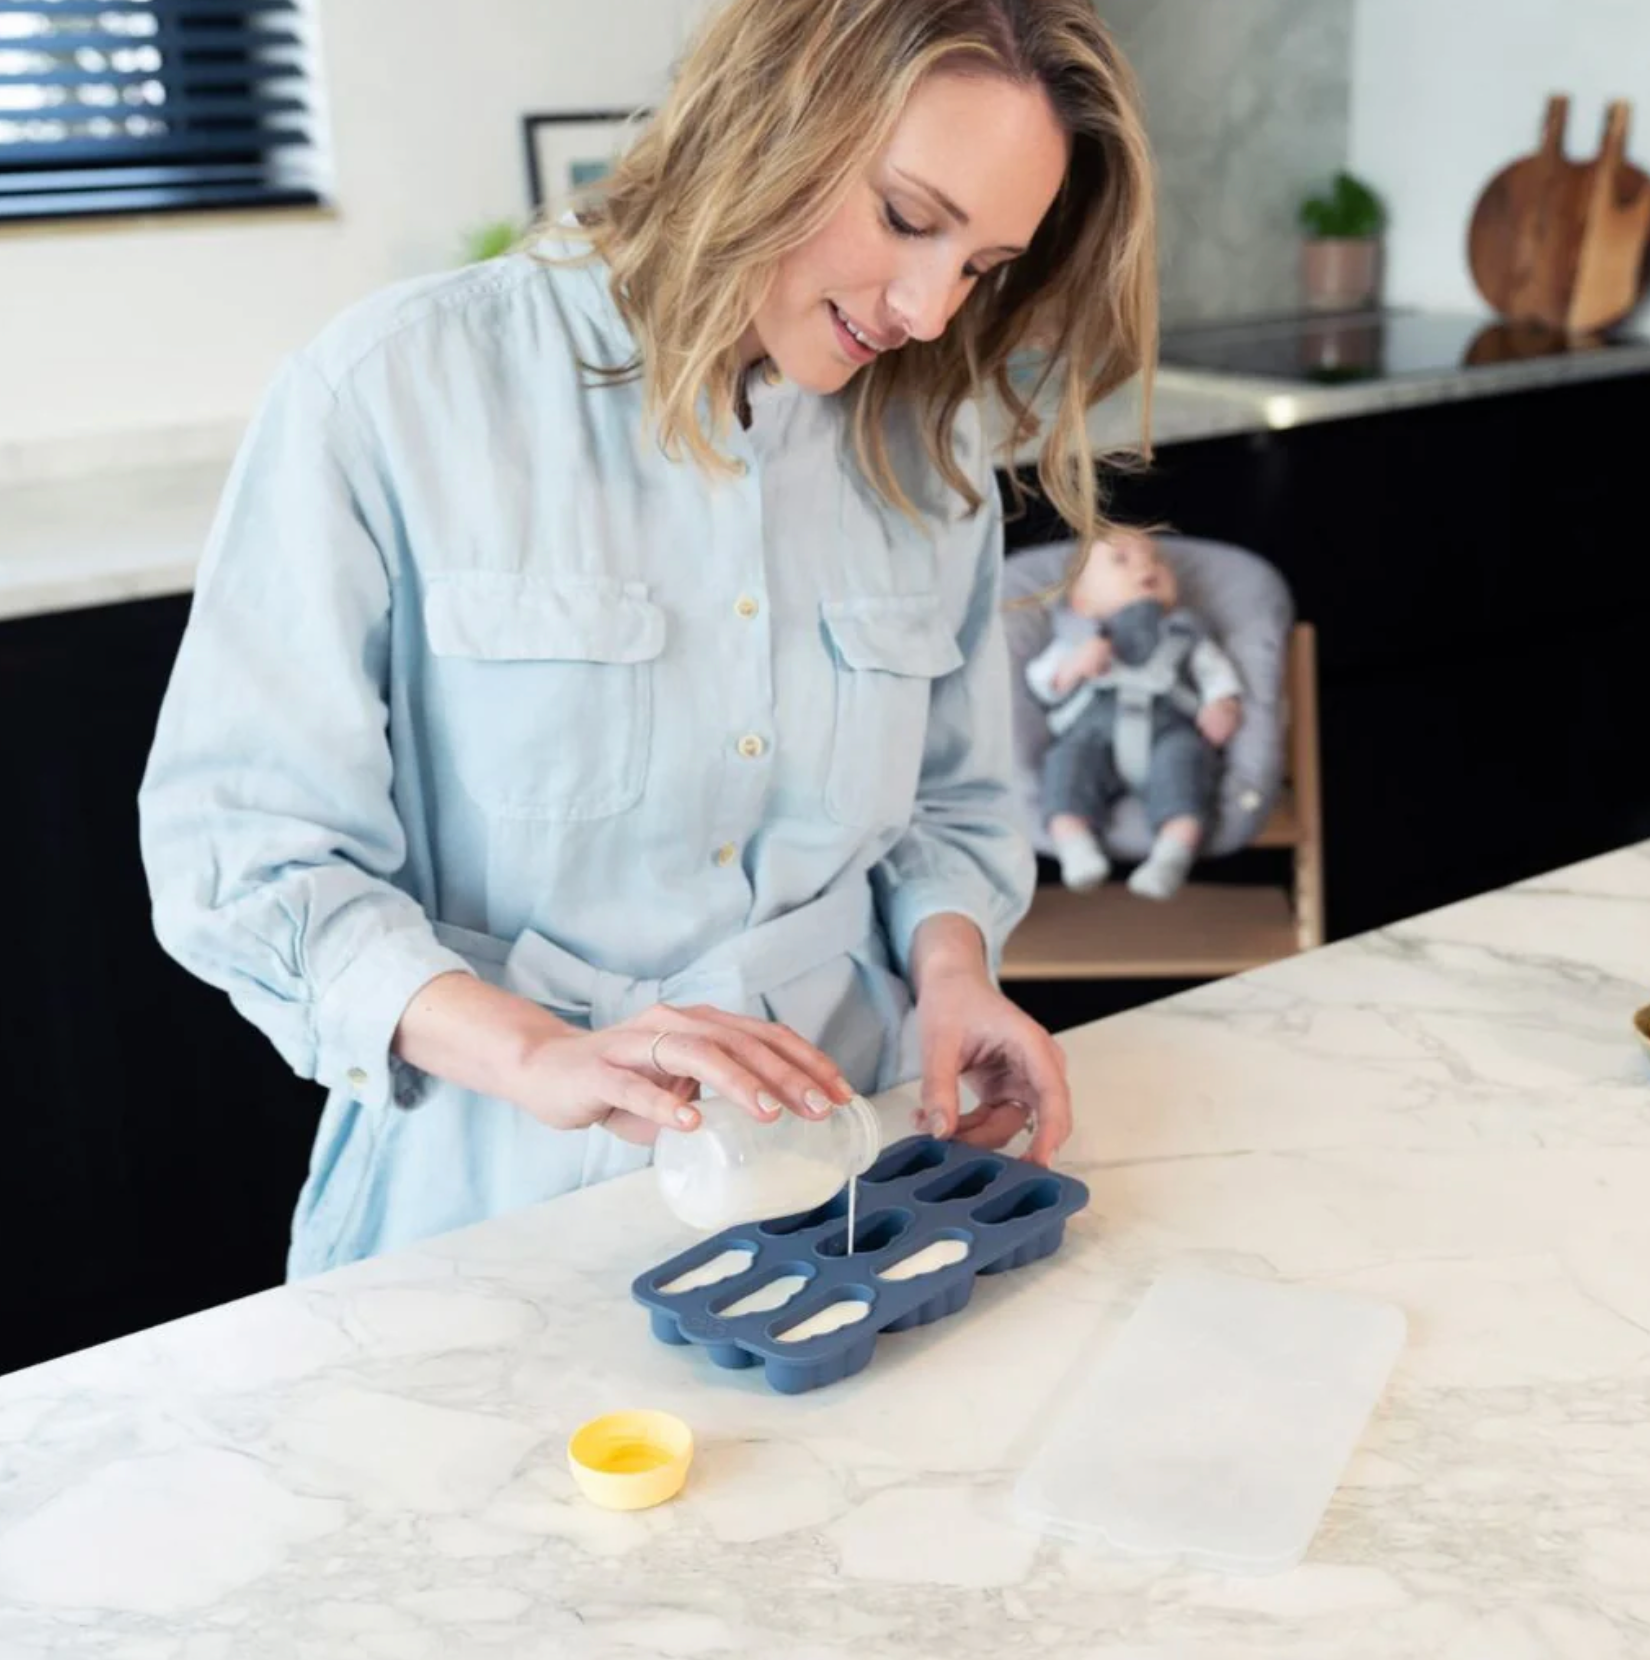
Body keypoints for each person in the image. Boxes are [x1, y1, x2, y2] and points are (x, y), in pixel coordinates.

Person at [138, 0, 1158, 1279]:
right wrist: (539, 1053)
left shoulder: (923, 445)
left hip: (855, 1171)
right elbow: (244, 855)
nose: (930, 309)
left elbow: (950, 802)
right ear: (769, 121)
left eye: (982, 265)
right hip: (493, 1198)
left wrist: (954, 969)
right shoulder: (391, 394)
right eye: (908, 219)